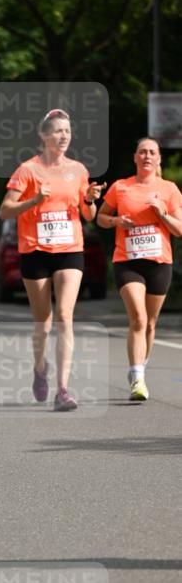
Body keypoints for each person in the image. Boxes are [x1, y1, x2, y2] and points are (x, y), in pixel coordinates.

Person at [0, 108, 105, 411]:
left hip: (70, 248)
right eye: (58, 131)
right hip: (35, 251)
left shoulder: (78, 170)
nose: (64, 136)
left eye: (68, 131)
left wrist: (89, 200)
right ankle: (39, 368)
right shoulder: (27, 170)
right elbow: (5, 211)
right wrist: (34, 200)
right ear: (44, 136)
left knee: (65, 316)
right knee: (43, 322)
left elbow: (89, 216)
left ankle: (63, 389)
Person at [97, 138, 182, 400]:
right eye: (142, 152)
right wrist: (116, 221)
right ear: (135, 157)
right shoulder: (120, 187)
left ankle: (139, 368)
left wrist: (162, 214)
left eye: (152, 152)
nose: (147, 156)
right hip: (128, 260)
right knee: (138, 317)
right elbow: (100, 218)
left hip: (159, 263)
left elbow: (179, 230)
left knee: (151, 322)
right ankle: (137, 378)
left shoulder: (169, 189)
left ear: (158, 160)